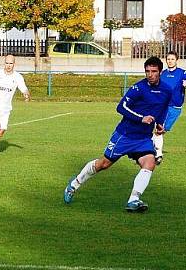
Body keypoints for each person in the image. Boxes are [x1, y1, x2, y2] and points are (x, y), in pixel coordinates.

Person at [63, 56, 172, 212]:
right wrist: (141, 118)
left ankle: (134, 199)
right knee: (104, 164)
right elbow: (121, 107)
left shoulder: (167, 90)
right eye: (147, 71)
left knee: (150, 163)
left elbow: (163, 108)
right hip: (125, 135)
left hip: (143, 138)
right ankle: (75, 184)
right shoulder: (138, 88)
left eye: (154, 71)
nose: (150, 74)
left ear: (160, 72)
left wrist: (160, 124)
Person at [151, 50, 186, 164]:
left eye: (172, 59)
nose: (170, 61)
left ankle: (150, 148)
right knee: (159, 130)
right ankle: (158, 154)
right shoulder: (162, 73)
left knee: (161, 131)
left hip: (175, 108)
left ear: (176, 60)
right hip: (163, 106)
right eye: (168, 59)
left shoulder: (182, 73)